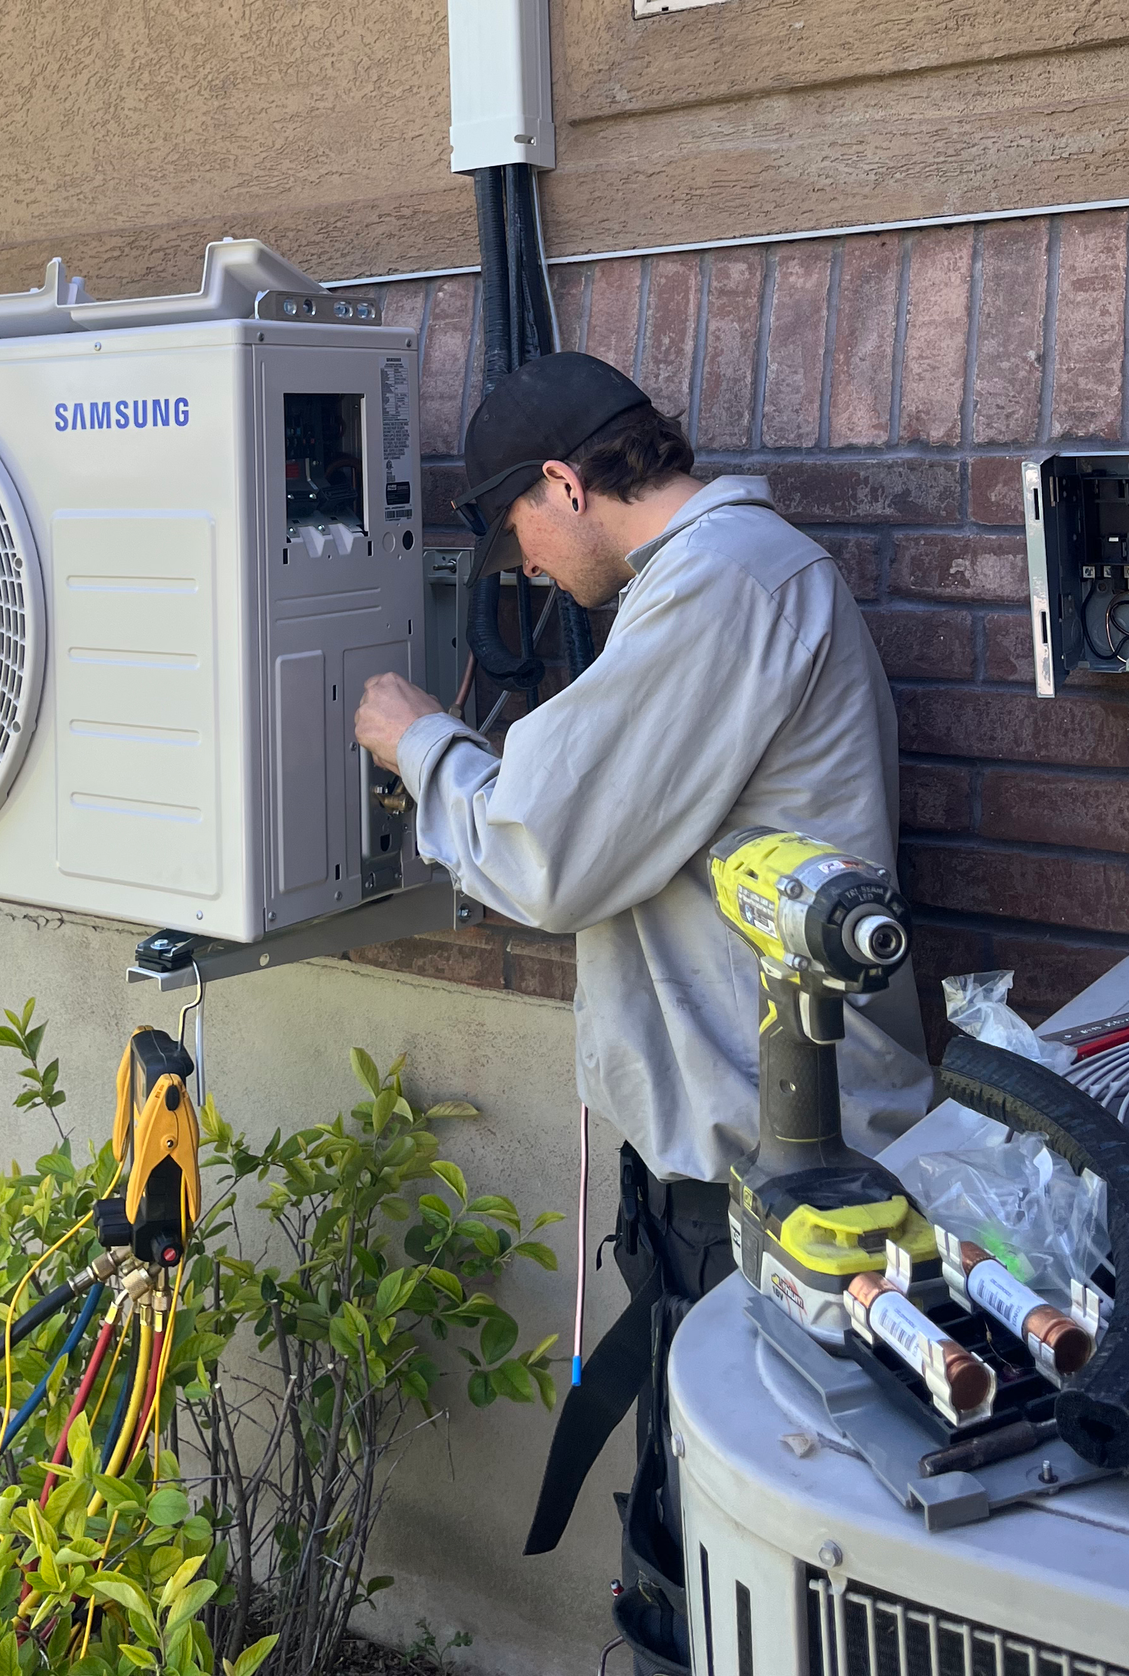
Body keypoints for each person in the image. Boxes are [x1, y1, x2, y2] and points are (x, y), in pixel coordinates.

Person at [352, 352, 932, 1636]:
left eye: (521, 531)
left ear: (565, 482)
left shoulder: (724, 587)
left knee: (738, 1572)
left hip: (780, 1175)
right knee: (703, 1535)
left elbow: (545, 847)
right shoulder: (720, 584)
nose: (530, 566)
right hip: (742, 1157)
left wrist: (419, 744)